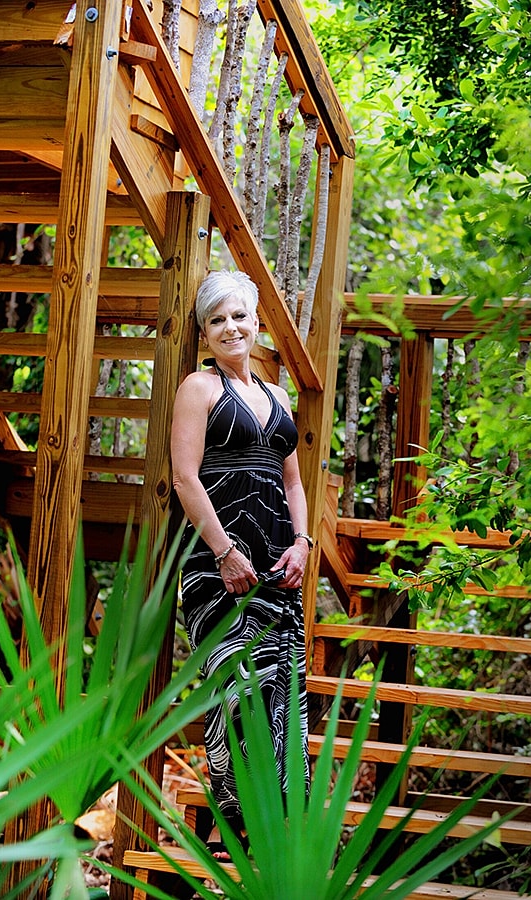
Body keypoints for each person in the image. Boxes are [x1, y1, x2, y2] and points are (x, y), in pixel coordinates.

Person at [171, 269, 312, 858]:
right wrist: (225, 550)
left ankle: (280, 826)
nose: (231, 327)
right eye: (217, 319)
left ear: (256, 323)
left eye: (239, 316)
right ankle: (239, 824)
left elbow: (293, 478)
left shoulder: (279, 396)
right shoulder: (199, 389)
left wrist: (303, 542)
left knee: (283, 691)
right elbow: (184, 476)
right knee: (237, 689)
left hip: (278, 562)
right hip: (216, 564)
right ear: (205, 333)